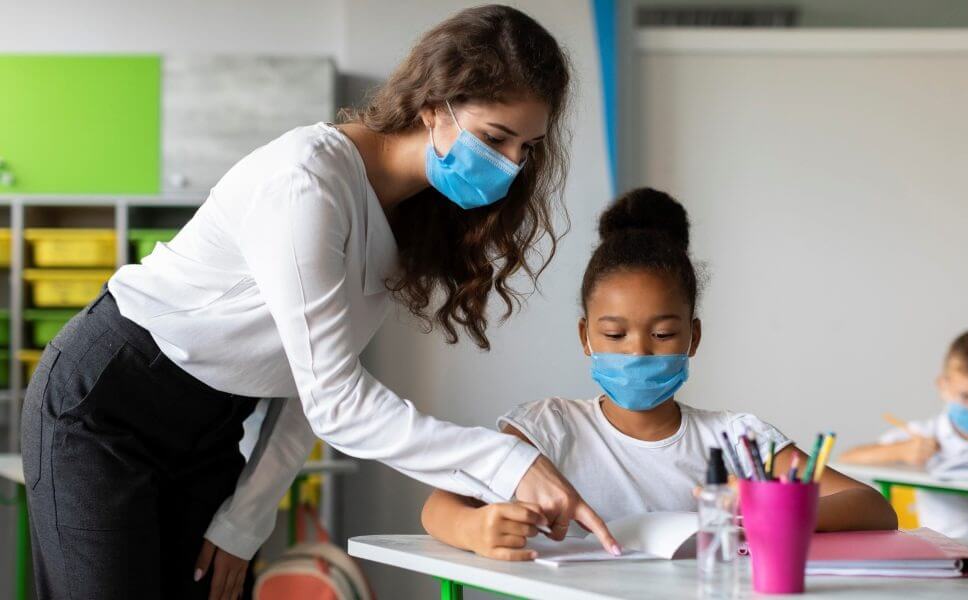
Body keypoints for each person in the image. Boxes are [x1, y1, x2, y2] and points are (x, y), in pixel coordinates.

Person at [21, 6, 618, 599]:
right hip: (107, 403)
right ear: (434, 107)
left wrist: (242, 524)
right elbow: (338, 403)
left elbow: (311, 387)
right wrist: (508, 462)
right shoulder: (308, 180)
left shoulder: (407, 218)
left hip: (211, 424)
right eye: (496, 138)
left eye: (527, 147)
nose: (512, 165)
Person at [421, 188, 898, 560]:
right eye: (615, 334)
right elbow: (439, 508)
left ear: (694, 337)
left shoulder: (737, 441)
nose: (639, 352)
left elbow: (874, 507)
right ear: (586, 336)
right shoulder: (550, 428)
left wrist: (772, 512)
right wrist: (474, 529)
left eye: (664, 335)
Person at [841, 331, 968, 537]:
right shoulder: (927, 432)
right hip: (942, 546)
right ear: (943, 386)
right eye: (966, 396)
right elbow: (849, 458)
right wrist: (901, 451)